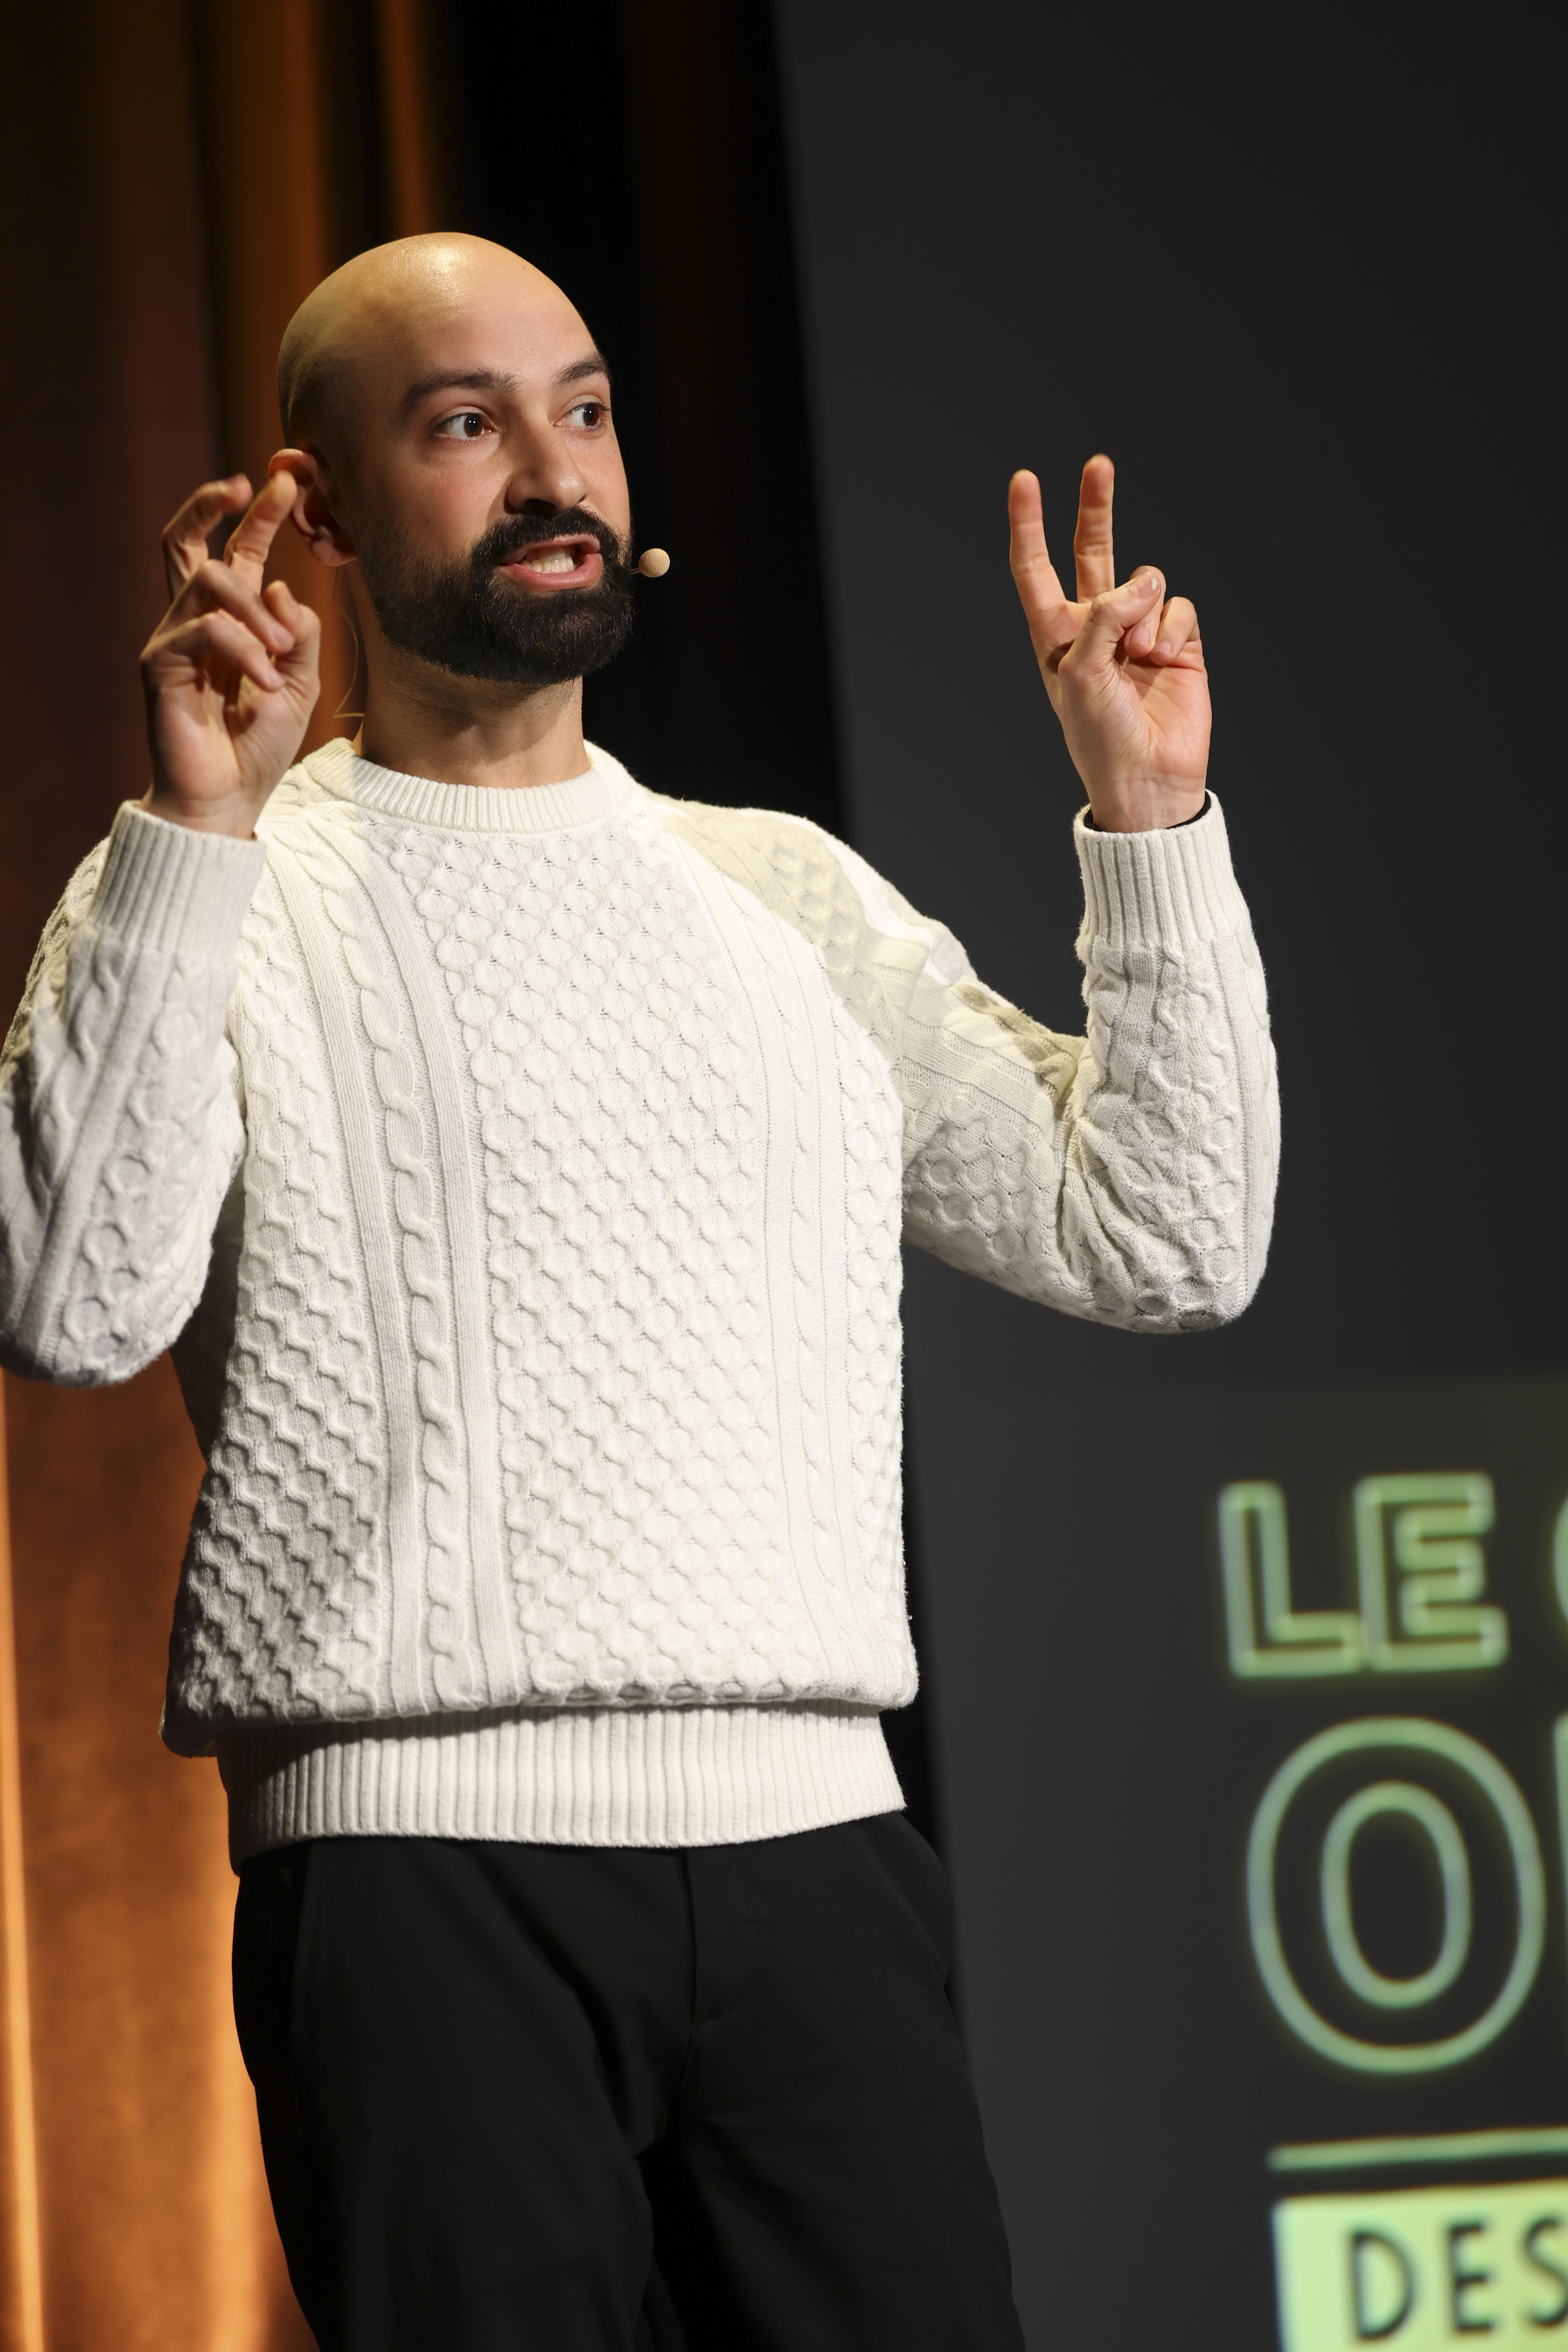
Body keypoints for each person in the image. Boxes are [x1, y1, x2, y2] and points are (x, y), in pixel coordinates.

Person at [0, 234, 1276, 2350]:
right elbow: (69, 1304)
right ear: (316, 506)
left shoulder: (777, 894)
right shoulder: (218, 883)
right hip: (420, 1886)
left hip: (821, 1862)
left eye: (583, 409)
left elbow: (1168, 1237)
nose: (552, 470)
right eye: (465, 421)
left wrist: (1150, 821)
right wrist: (194, 829)